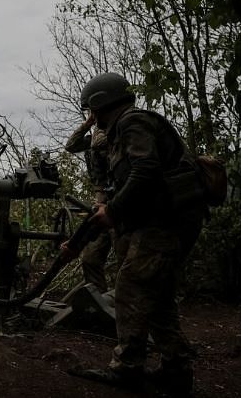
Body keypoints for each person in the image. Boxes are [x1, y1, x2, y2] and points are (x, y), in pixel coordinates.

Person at [69, 72, 207, 396]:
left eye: (91, 110)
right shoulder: (123, 132)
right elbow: (133, 183)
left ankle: (127, 367)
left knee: (131, 287)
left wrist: (113, 212)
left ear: (101, 103)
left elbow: (146, 171)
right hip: (164, 222)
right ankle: (176, 370)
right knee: (157, 297)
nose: (91, 117)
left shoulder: (133, 123)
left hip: (167, 224)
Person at [65, 114, 113, 293]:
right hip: (101, 204)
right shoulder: (94, 137)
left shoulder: (119, 133)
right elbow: (70, 146)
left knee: (129, 263)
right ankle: (99, 303)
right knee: (90, 259)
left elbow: (99, 143)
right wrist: (87, 124)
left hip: (121, 203)